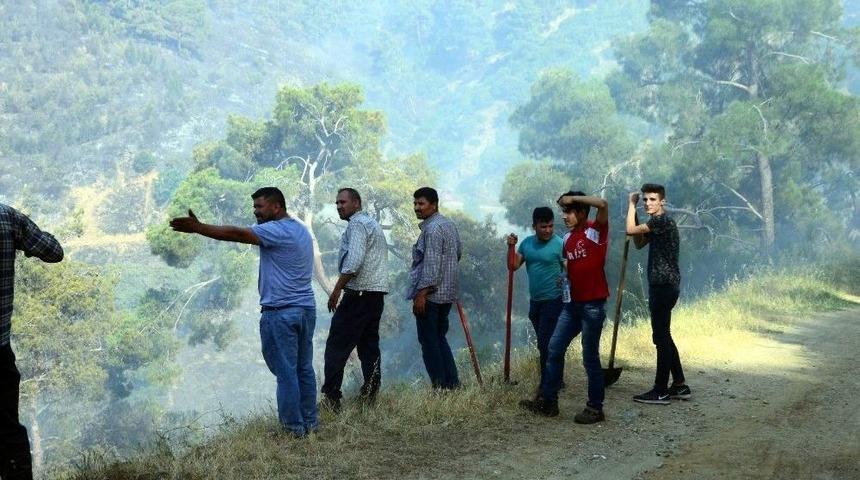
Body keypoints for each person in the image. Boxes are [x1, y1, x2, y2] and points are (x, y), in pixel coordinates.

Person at [169, 187, 318, 436]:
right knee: (303, 369)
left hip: (281, 312)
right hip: (305, 308)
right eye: (254, 207)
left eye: (260, 207)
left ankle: (293, 429)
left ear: (276, 207)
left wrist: (198, 227)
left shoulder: (276, 230)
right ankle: (310, 423)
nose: (255, 212)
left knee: (286, 373)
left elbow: (237, 233)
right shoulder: (300, 230)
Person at [520, 191, 609, 424]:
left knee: (590, 356)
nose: (564, 216)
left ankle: (595, 408)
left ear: (580, 212)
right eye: (564, 212)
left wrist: (574, 199)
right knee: (553, 348)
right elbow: (572, 267)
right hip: (571, 305)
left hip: (592, 305)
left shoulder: (594, 231)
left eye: (568, 212)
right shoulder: (568, 239)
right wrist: (566, 278)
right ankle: (548, 401)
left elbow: (602, 204)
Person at [1, 203, 64, 480]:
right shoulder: (7, 217)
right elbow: (54, 251)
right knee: (7, 429)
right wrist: (22, 241)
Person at [321, 188, 388, 412]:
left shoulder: (358, 225)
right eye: (336, 203)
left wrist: (336, 289)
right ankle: (370, 395)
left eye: (343, 202)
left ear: (356, 203)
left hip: (358, 295)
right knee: (369, 347)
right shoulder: (371, 224)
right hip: (375, 296)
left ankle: (331, 398)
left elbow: (354, 261)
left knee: (336, 346)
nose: (339, 206)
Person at [626, 183, 690, 404]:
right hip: (663, 285)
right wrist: (635, 218)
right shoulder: (657, 224)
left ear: (662, 201)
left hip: (663, 286)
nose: (647, 203)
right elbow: (639, 242)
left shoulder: (661, 220)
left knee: (661, 338)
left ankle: (660, 390)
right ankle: (679, 384)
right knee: (662, 334)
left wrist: (631, 205)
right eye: (644, 200)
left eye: (652, 199)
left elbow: (630, 232)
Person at [407, 187, 462, 390]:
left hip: (430, 296)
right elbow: (458, 252)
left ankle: (440, 387)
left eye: (421, 203)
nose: (417, 208)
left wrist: (422, 294)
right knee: (439, 338)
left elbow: (430, 264)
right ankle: (452, 384)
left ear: (434, 204)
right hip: (447, 294)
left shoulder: (431, 229)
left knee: (429, 342)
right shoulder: (448, 224)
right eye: (415, 204)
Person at [506, 207, 565, 388]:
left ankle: (547, 384)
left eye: (550, 226)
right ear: (534, 226)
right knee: (544, 344)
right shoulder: (527, 244)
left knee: (546, 343)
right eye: (543, 227)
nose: (547, 230)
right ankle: (555, 380)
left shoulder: (560, 244)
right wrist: (510, 247)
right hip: (535, 302)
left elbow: (570, 268)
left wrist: (565, 279)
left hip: (554, 301)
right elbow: (513, 265)